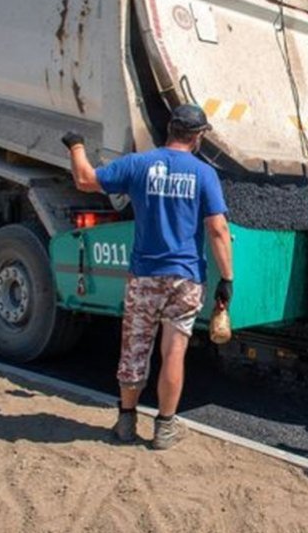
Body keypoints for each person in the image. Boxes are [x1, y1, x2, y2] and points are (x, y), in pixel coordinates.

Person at [61, 104, 233, 450]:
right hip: (185, 278)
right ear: (197, 136)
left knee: (134, 349)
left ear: (169, 130)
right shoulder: (203, 174)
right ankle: (164, 429)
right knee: (174, 352)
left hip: (144, 276)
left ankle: (126, 423)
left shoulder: (139, 164)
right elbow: (217, 229)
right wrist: (226, 279)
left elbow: (85, 179)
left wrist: (76, 145)